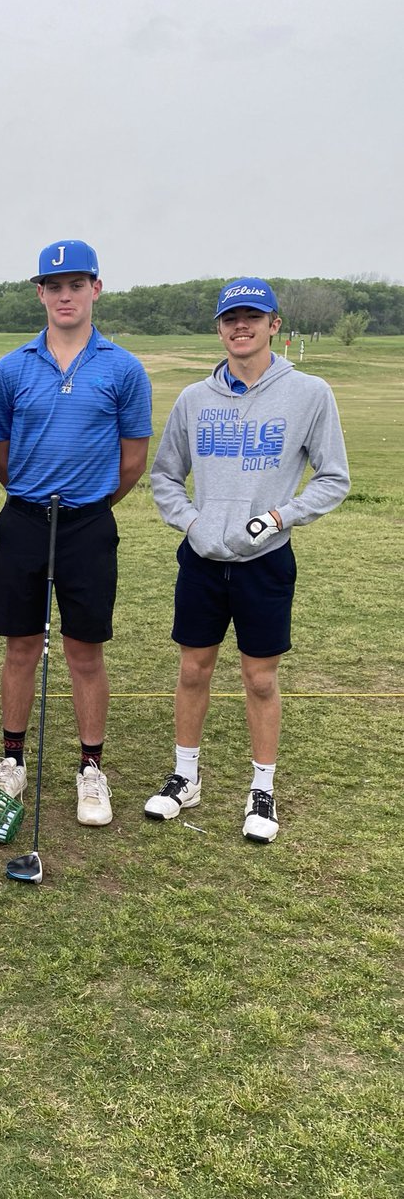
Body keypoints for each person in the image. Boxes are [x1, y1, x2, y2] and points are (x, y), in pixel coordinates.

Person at [145, 278, 350, 842]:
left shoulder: (309, 394)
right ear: (219, 328)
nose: (241, 326)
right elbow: (164, 474)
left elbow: (334, 477)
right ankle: (185, 778)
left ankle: (262, 790)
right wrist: (192, 521)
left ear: (273, 324)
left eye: (252, 317)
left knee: (260, 680)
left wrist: (282, 517)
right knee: (193, 669)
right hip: (203, 558)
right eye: (230, 318)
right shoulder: (193, 399)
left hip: (266, 560)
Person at [0, 240, 152, 826]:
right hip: (25, 520)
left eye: (75, 285)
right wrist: (34, 496)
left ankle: (90, 768)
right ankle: (11, 760)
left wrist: (91, 506)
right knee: (21, 645)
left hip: (88, 524)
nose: (64, 295)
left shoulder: (123, 368)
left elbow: (133, 459)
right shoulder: (10, 369)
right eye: (54, 286)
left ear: (95, 289)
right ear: (40, 293)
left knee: (85, 651)